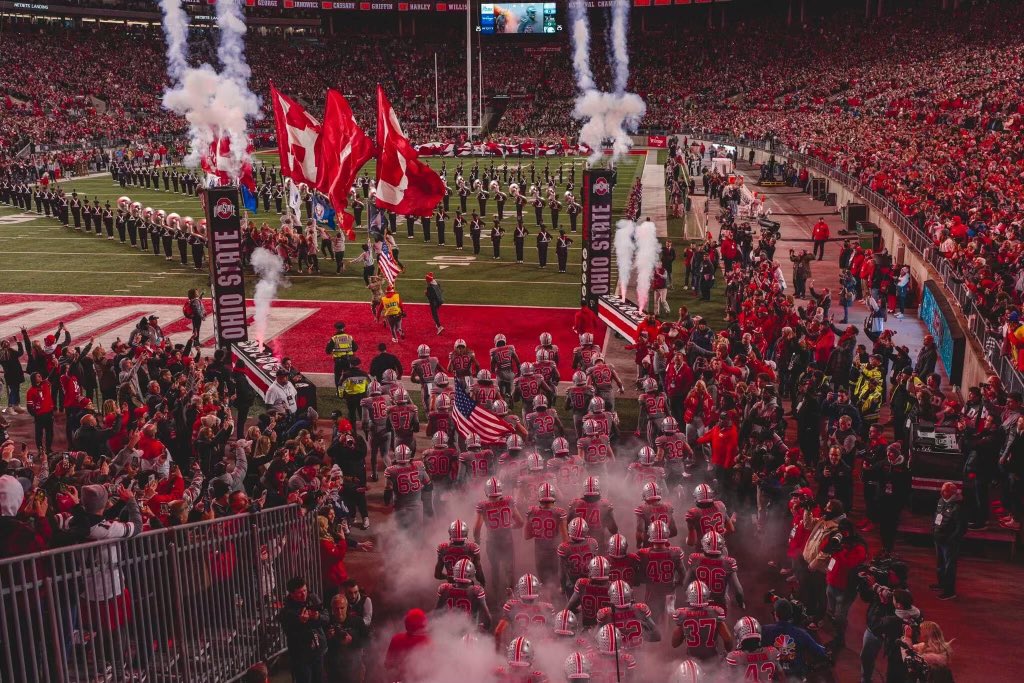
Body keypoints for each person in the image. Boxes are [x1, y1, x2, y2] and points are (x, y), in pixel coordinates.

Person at [762, 598, 828, 680]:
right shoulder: (801, 633)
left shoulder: (765, 630)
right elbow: (820, 652)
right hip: (796, 676)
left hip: (774, 676)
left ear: (775, 614)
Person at [277, 576, 328, 683]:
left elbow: (326, 618)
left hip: (318, 650)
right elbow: (290, 633)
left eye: (305, 590)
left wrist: (318, 616)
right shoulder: (287, 611)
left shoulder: (313, 598)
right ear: (291, 594)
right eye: (300, 592)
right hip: (301, 656)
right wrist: (300, 622)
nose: (304, 594)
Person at [932, 481, 966, 600]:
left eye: (945, 491)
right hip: (938, 539)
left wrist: (951, 539)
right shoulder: (941, 501)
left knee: (949, 567)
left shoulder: (958, 507)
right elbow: (936, 516)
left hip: (949, 543)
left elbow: (961, 528)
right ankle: (942, 584)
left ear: (952, 493)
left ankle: (949, 591)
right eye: (942, 490)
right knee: (940, 564)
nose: (942, 492)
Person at [384, 608, 431, 682]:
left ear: (406, 623)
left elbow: (388, 665)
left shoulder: (396, 639)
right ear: (424, 623)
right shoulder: (427, 642)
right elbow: (432, 669)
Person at [326, 322, 357, 388]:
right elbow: (355, 348)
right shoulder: (349, 337)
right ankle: (348, 389)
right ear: (344, 328)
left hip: (338, 361)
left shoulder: (334, 338)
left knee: (338, 376)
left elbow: (328, 351)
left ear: (336, 328)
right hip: (348, 360)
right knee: (348, 375)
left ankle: (339, 390)